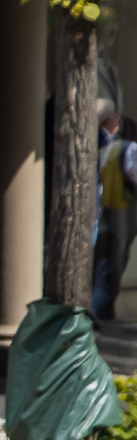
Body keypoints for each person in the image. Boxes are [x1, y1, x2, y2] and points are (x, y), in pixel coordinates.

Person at [96, 107, 137, 321]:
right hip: (123, 210)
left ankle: (101, 307)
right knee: (116, 260)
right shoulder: (130, 149)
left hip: (104, 211)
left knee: (104, 262)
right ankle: (105, 309)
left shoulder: (107, 149)